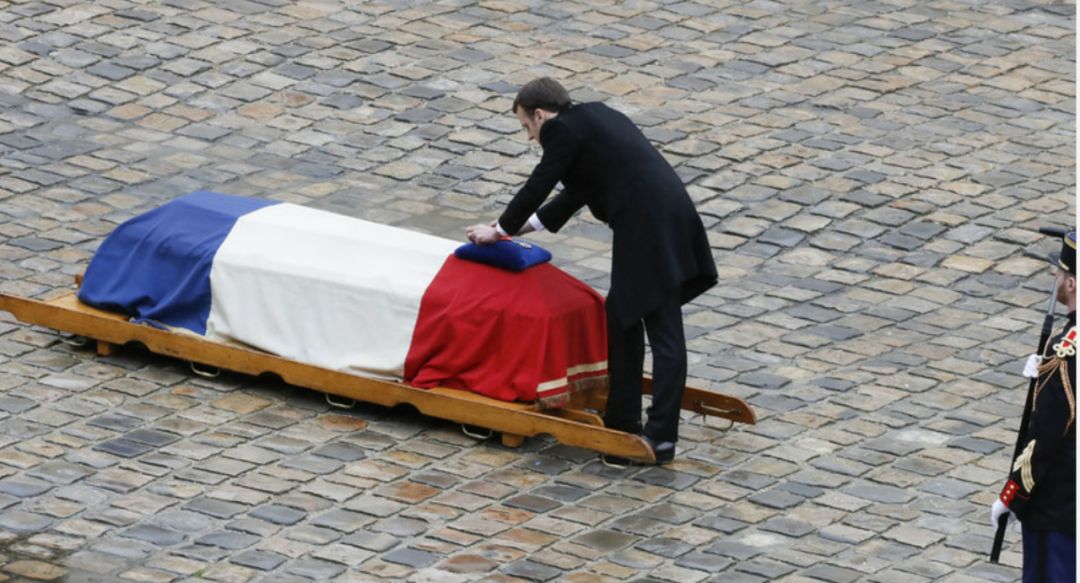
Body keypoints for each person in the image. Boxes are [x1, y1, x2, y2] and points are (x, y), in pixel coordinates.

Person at [465, 77, 718, 465]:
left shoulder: (561, 131)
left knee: (653, 324)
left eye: (527, 126)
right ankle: (632, 423)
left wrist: (498, 229)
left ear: (539, 115)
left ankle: (649, 433)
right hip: (670, 215)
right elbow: (577, 192)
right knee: (628, 315)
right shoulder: (594, 117)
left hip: (646, 226)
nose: (530, 137)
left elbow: (540, 183)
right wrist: (517, 230)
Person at [991, 230, 1076, 582]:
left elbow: (1044, 437)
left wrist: (1012, 495)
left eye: (1060, 272)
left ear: (1072, 283)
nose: (1056, 278)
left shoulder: (1064, 352)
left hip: (1061, 509)